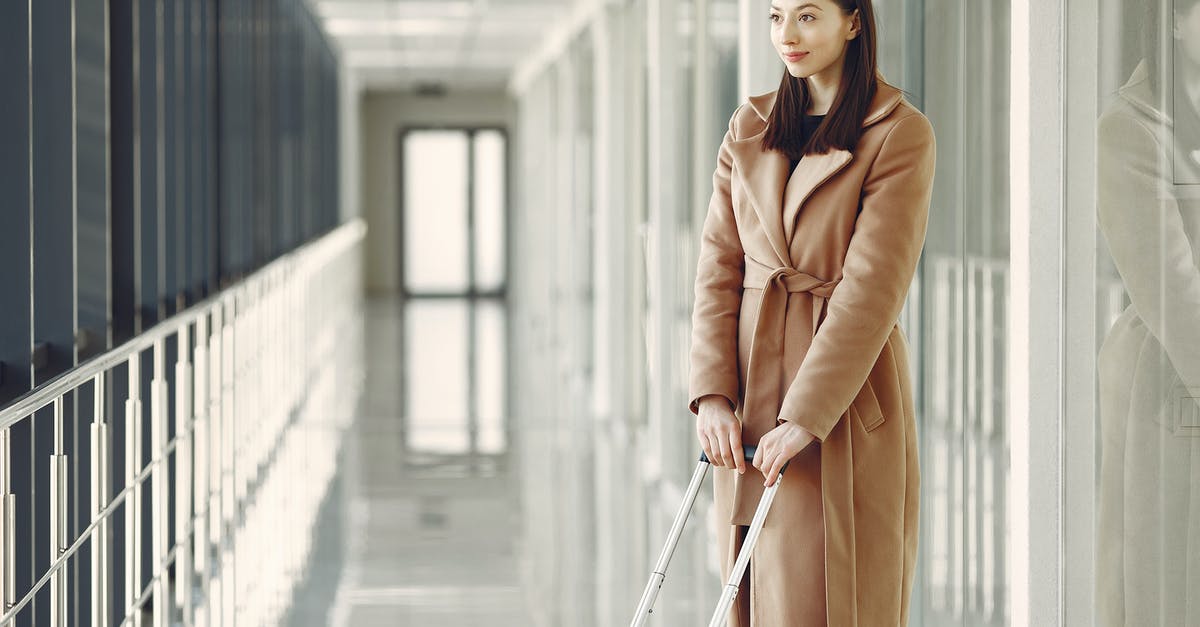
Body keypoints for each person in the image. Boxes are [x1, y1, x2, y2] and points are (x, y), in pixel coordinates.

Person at [686, 0, 936, 624]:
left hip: (840, 399)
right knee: (747, 589)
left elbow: (872, 289)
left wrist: (806, 414)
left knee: (825, 594)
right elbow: (719, 266)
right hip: (750, 389)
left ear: (854, 21)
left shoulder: (897, 131)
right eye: (776, 17)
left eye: (807, 15)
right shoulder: (749, 125)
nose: (787, 36)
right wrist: (713, 392)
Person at [1095, 1, 1200, 624]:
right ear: (1176, 21)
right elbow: (1173, 289)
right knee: (1165, 591)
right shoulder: (1132, 126)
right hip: (1170, 385)